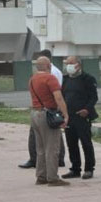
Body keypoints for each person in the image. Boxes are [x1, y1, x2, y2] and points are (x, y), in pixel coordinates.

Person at [19, 49, 66, 169]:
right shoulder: (54, 73)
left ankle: (43, 167)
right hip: (49, 110)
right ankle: (56, 162)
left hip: (44, 110)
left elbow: (57, 96)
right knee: (53, 138)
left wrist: (63, 112)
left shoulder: (48, 75)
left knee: (43, 141)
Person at [29, 57, 70, 186]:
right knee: (52, 147)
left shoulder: (32, 79)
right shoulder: (50, 78)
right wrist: (65, 114)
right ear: (48, 65)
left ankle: (41, 176)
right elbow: (58, 97)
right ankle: (52, 178)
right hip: (47, 114)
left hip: (35, 113)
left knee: (40, 148)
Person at [60, 56, 99, 180]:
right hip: (68, 117)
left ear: (78, 65)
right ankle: (75, 169)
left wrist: (87, 109)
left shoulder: (87, 79)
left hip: (82, 117)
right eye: (67, 64)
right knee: (71, 144)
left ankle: (89, 169)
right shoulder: (64, 80)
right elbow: (61, 97)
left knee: (86, 143)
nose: (69, 66)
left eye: (71, 63)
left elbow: (93, 97)